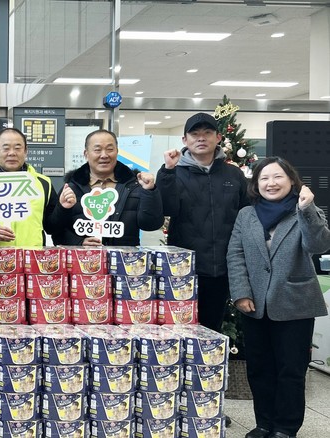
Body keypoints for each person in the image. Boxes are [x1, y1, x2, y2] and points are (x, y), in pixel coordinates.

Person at [227, 157, 330, 438]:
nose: (271, 183)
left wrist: (306, 209)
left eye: (277, 177)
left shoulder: (306, 210)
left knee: (291, 370)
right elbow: (235, 254)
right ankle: (264, 423)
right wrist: (241, 293)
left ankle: (285, 428)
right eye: (264, 178)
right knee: (259, 369)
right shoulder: (246, 214)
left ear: (292, 181)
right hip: (254, 304)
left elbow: (319, 244)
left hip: (295, 303)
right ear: (256, 184)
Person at [156, 112, 249, 332]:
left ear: (218, 137)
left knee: (211, 330)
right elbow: (166, 209)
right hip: (183, 268)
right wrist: (167, 171)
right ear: (184, 140)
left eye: (207, 133)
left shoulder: (234, 175)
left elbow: (247, 215)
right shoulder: (174, 173)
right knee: (178, 330)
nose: (201, 138)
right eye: (195, 134)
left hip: (222, 269)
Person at [51, 129, 163, 246]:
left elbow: (151, 225)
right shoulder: (71, 188)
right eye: (97, 150)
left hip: (125, 256)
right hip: (84, 257)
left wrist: (149, 192)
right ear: (86, 154)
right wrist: (79, 242)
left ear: (117, 152)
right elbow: (56, 229)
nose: (104, 155)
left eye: (110, 149)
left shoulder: (134, 186)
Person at [0, 127, 63, 247]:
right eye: (6, 148)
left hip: (31, 256)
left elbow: (51, 227)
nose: (12, 153)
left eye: (18, 148)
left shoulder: (43, 183)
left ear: (26, 151)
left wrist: (63, 208)